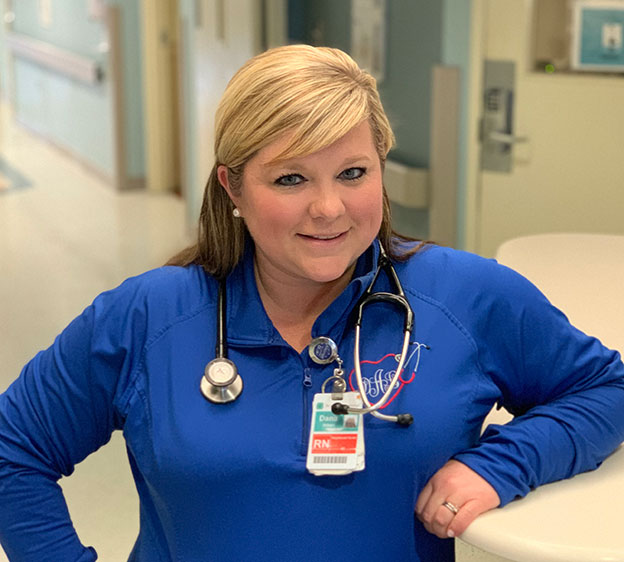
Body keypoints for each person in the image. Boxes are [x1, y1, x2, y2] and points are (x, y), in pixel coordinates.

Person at [1, 44, 623, 562]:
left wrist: (503, 464)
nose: (328, 209)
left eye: (353, 173)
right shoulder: (149, 317)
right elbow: (14, 447)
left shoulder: (466, 297)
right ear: (233, 187)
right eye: (290, 179)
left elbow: (606, 390)